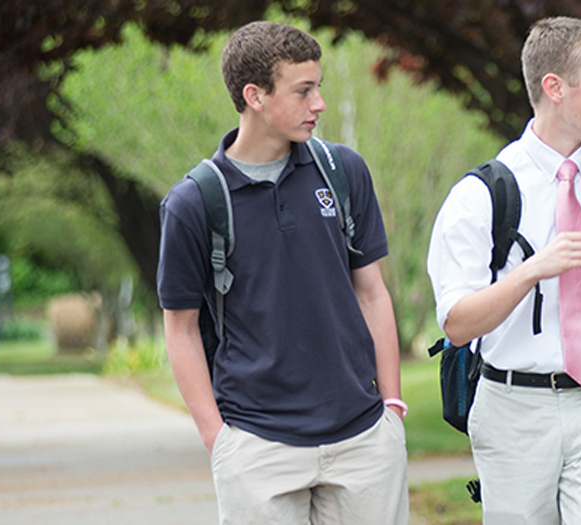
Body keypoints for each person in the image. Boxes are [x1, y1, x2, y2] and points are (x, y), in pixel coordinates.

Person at [426, 16, 581, 524]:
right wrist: (530, 271)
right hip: (513, 409)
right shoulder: (481, 196)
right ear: (555, 88)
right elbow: (456, 323)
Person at [157, 21, 407, 524]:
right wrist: (218, 439)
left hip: (363, 437)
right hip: (257, 445)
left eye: (319, 88)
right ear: (255, 96)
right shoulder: (194, 203)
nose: (320, 104)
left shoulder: (344, 172)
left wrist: (393, 407)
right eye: (303, 91)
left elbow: (372, 292)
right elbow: (180, 329)